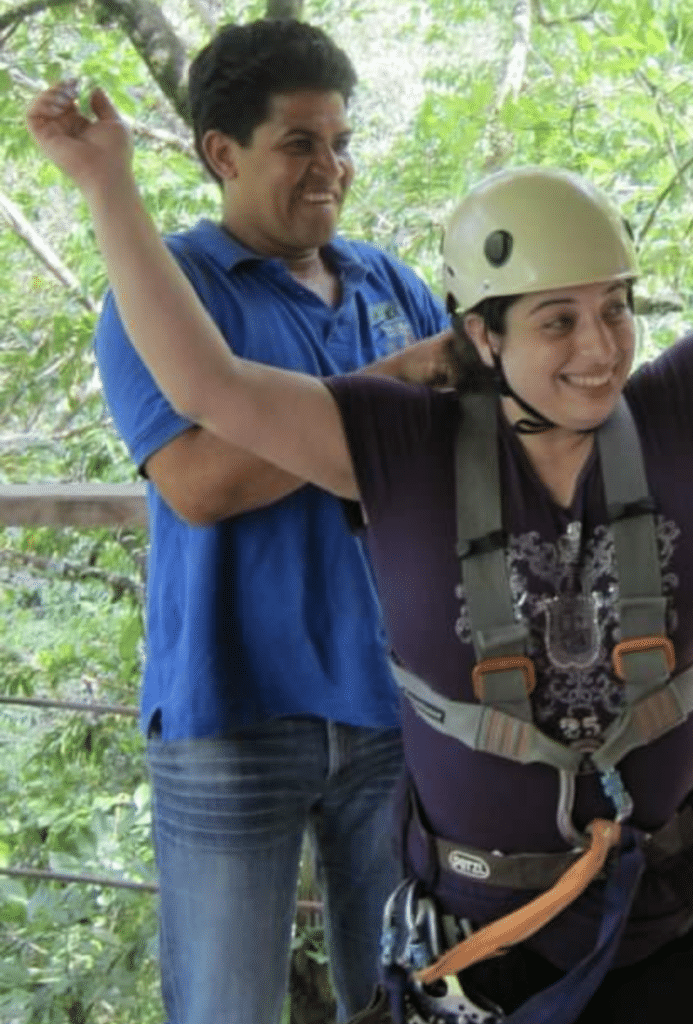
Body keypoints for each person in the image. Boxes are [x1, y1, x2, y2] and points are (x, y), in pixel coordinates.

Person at [27, 1, 693, 1019]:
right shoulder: (407, 443)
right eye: (556, 320)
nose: (599, 348)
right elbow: (210, 401)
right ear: (480, 334)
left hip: (677, 908)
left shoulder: (679, 405)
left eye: (614, 310)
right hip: (428, 883)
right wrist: (107, 188)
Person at [73, 19, 450, 1024]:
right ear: (222, 154)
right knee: (226, 1005)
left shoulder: (390, 286)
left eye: (339, 142)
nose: (331, 168)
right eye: (300, 144)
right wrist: (385, 391)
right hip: (229, 710)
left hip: (398, 703)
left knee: (410, 995)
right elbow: (199, 481)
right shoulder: (164, 295)